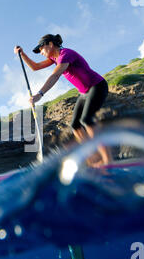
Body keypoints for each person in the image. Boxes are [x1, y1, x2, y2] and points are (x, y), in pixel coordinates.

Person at [14, 34, 111, 166]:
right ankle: (93, 159)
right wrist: (22, 54)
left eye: (41, 49)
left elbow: (55, 75)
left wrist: (40, 94)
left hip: (97, 86)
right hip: (84, 93)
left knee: (86, 120)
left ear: (50, 44)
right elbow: (35, 67)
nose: (41, 52)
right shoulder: (54, 58)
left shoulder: (66, 54)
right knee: (75, 125)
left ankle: (107, 160)